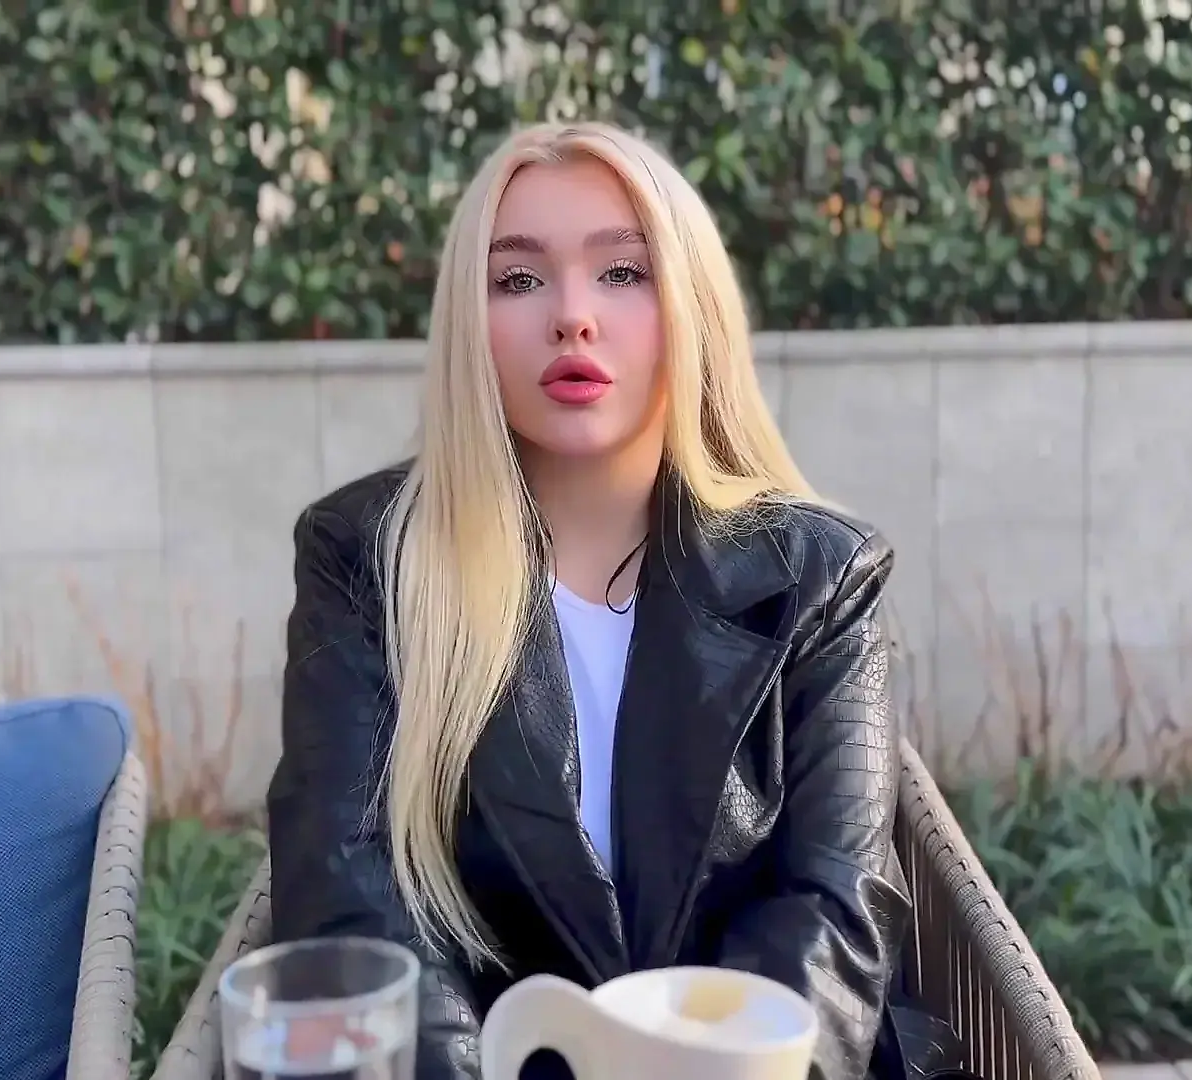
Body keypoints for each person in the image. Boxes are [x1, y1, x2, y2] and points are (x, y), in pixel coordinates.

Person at [269, 121, 978, 1080]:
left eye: (622, 272)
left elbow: (830, 910)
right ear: (468, 324)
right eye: (518, 279)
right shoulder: (364, 561)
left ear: (691, 306)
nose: (572, 317)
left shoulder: (820, 578)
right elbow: (353, 902)